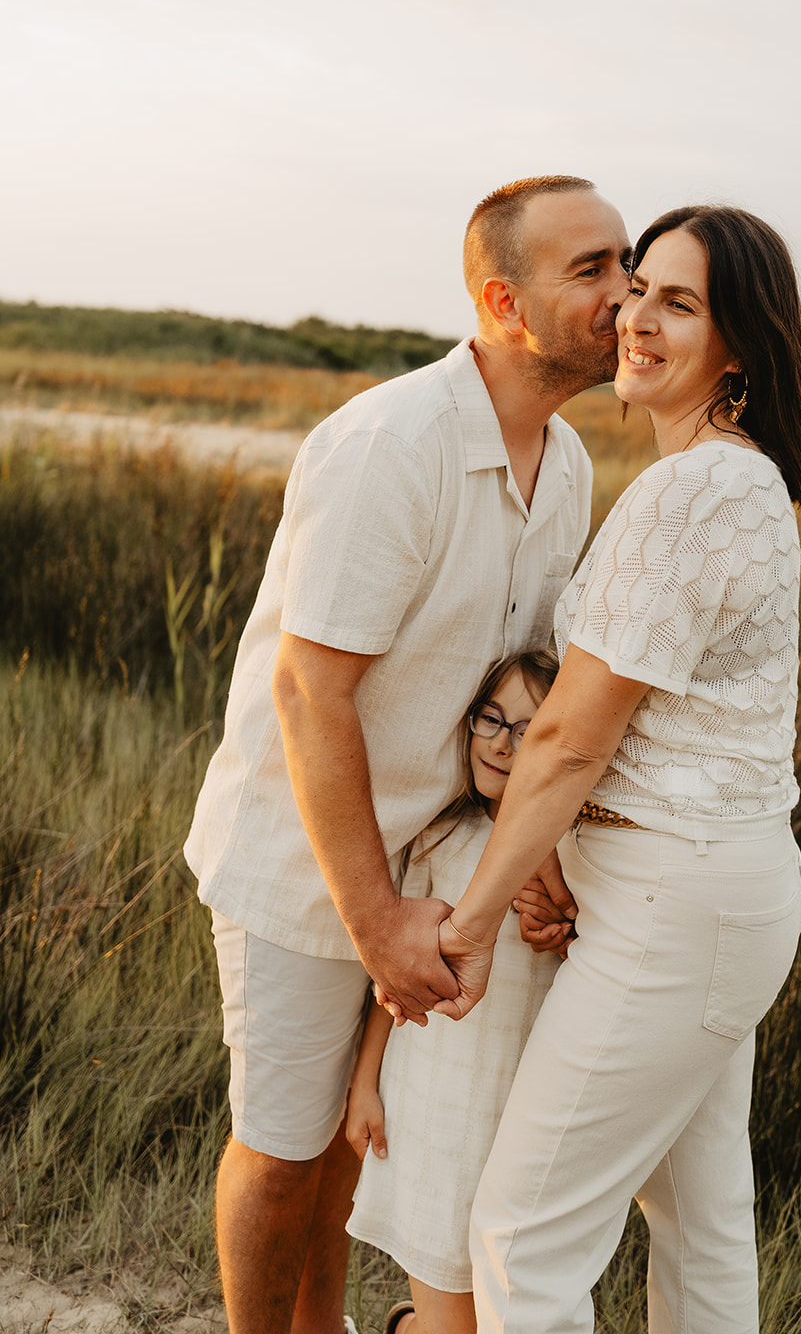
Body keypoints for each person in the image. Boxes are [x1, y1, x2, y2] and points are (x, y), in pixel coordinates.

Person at [182, 175, 631, 1334]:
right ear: (501, 299)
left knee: (352, 1145)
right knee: (282, 1150)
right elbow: (309, 689)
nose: (623, 293)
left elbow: (516, 695)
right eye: (590, 269)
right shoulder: (391, 444)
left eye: (624, 263)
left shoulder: (568, 466)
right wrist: (376, 917)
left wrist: (524, 854)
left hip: (438, 870)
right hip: (307, 865)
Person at [422, 204, 801, 1334]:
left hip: (676, 902)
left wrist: (467, 921)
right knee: (700, 1225)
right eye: (637, 287)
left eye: (678, 302)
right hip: (703, 895)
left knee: (523, 1232)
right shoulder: (723, 480)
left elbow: (568, 737)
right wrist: (556, 852)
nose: (634, 317)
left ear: (739, 343)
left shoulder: (696, 488)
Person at [346, 649, 561, 1334]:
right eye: (489, 718)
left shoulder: (570, 854)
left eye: (528, 729)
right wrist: (366, 1082)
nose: (501, 740)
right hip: (432, 1102)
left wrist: (557, 929)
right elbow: (398, 983)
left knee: (501, 1301)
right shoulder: (442, 837)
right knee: (449, 1305)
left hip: (515, 1111)